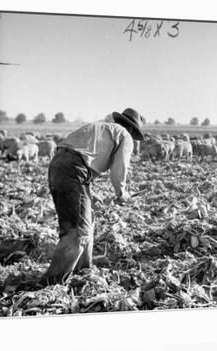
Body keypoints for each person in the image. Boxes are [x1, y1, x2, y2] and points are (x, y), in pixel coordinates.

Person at [39, 108, 144, 285]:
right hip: (73, 170)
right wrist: (121, 193)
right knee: (77, 232)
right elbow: (120, 170)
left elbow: (78, 156)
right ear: (133, 130)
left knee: (88, 219)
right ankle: (51, 283)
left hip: (59, 164)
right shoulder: (124, 135)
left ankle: (83, 268)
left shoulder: (103, 128)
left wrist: (89, 192)